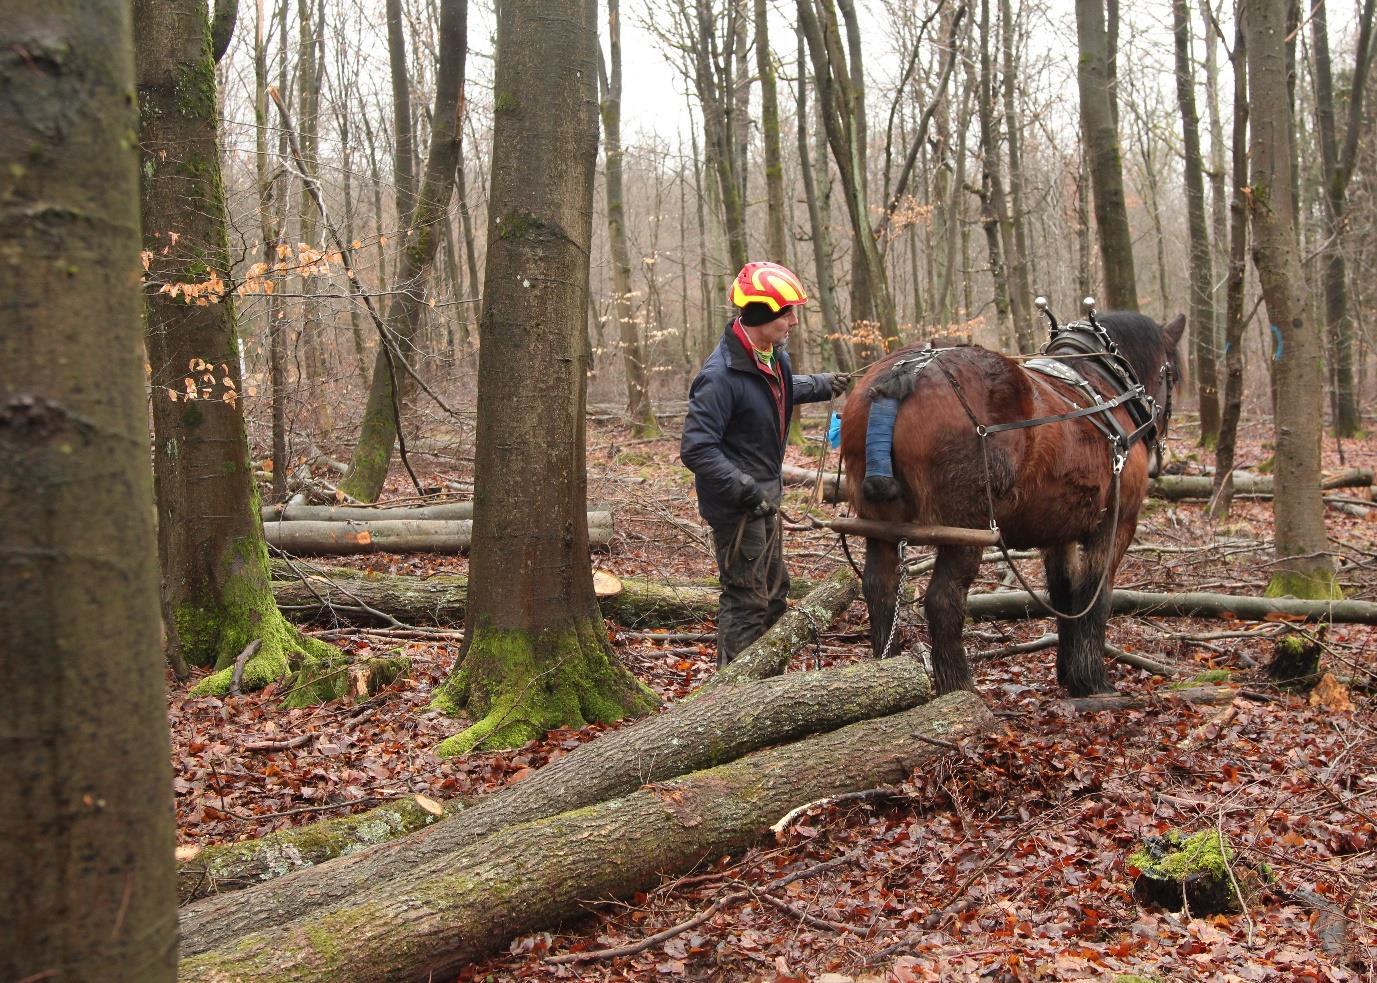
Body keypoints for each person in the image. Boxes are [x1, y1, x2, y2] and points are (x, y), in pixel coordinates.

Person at [680, 261, 849, 667]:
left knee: (774, 594)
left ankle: (768, 685)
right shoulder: (719, 376)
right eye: (787, 313)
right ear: (761, 315)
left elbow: (777, 387)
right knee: (748, 601)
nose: (794, 321)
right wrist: (745, 489)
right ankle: (732, 693)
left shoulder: (772, 357)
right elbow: (696, 448)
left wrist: (823, 384)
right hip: (738, 506)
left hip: (764, 498)